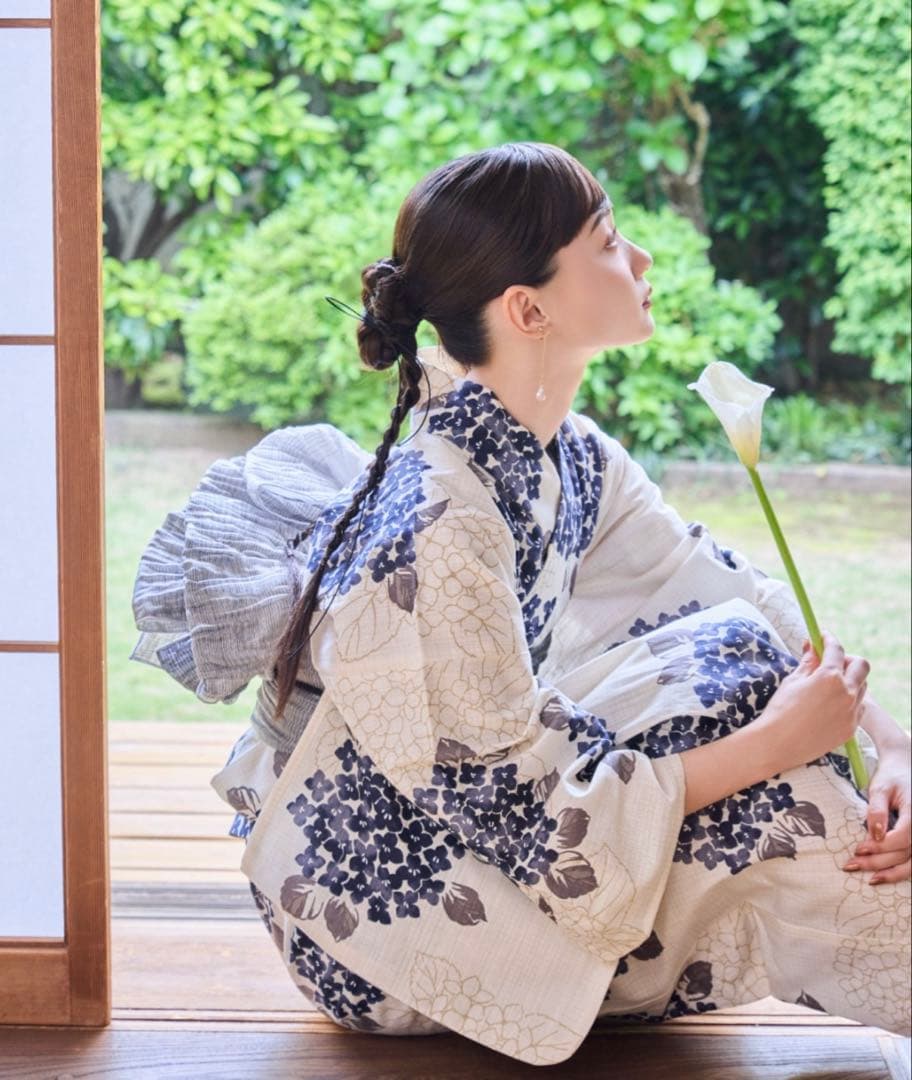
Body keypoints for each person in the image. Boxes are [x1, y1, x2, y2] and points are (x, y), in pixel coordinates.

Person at [130, 142, 911, 1067]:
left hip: (500, 829)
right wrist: (778, 744)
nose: (641, 259)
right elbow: (522, 813)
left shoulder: (567, 453)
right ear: (528, 309)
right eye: (609, 242)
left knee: (743, 660)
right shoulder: (440, 521)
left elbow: (727, 591)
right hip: (384, 918)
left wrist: (889, 741)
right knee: (795, 809)